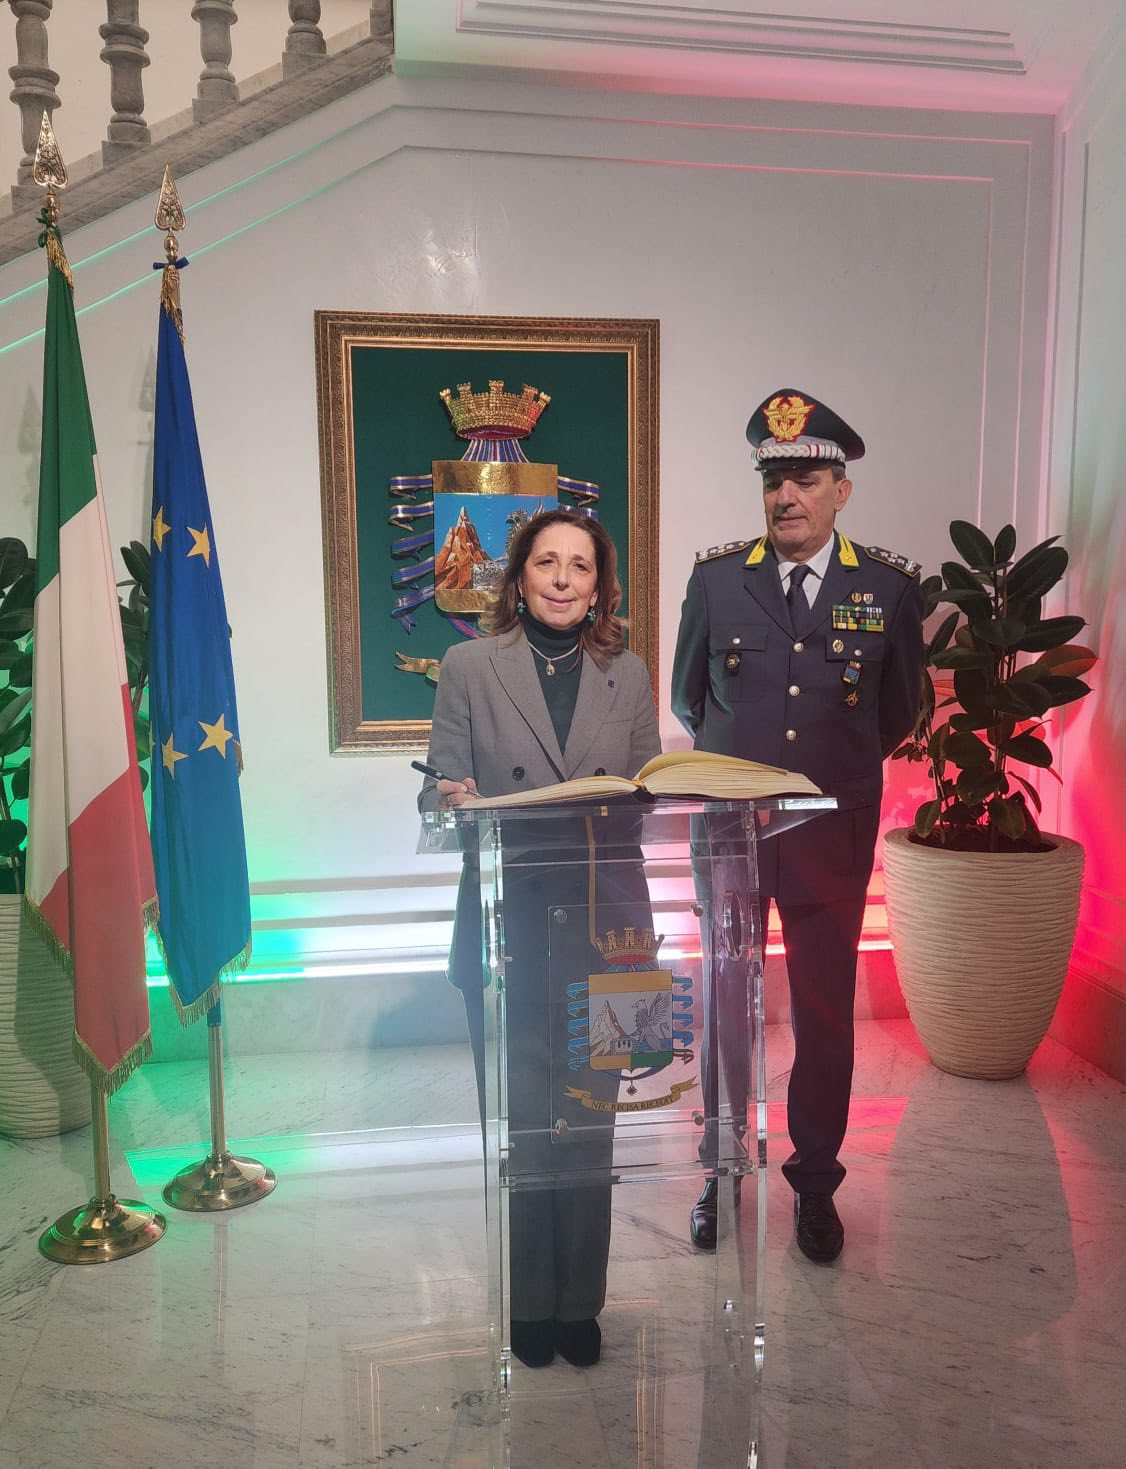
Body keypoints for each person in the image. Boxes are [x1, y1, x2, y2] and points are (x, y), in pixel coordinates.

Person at [670, 389, 925, 1264]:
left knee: (822, 1013)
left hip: (828, 837)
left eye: (806, 480)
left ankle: (816, 1183)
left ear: (840, 491)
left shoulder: (888, 589)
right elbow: (690, 699)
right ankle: (720, 1170)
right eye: (773, 479)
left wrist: (826, 772)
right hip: (731, 836)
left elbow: (896, 714)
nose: (787, 496)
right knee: (724, 1005)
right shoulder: (715, 581)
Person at [419, 508, 661, 1366]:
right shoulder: (468, 667)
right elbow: (434, 792)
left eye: (580, 566)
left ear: (600, 587)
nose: (563, 578)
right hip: (509, 921)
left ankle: (579, 1303)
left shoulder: (630, 673)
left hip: (608, 922)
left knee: (592, 1121)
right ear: (518, 576)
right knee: (526, 1123)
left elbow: (648, 796)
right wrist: (446, 799)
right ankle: (530, 1303)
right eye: (547, 562)